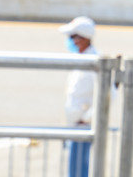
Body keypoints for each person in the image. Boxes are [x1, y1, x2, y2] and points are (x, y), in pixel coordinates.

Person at [59, 16, 98, 177]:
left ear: (83, 38)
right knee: (74, 170)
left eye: (73, 37)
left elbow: (109, 94)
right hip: (74, 125)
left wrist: (87, 119)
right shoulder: (81, 59)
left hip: (82, 127)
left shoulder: (95, 61)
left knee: (78, 171)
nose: (71, 41)